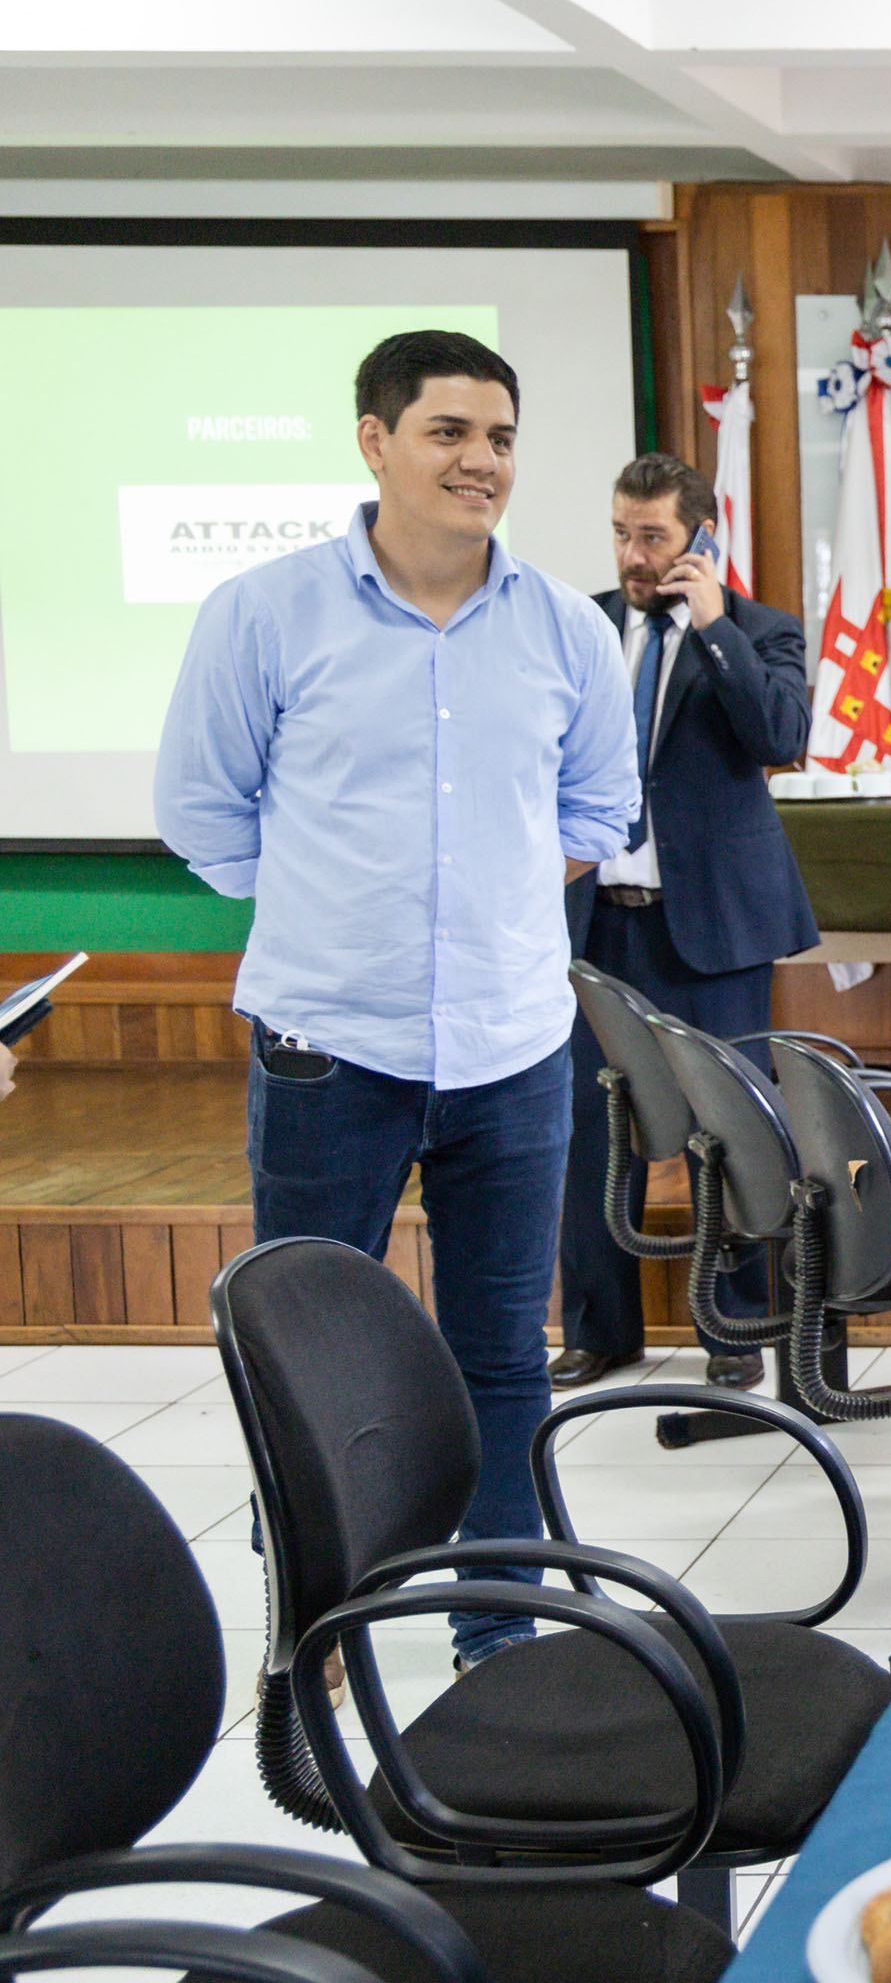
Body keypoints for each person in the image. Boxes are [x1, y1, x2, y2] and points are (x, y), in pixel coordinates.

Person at [155, 330, 639, 1670]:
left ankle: (501, 1630)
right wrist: (336, 913)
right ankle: (314, 1632)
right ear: (375, 442)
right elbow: (202, 810)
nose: (479, 461)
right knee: (307, 1361)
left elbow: (601, 802)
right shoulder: (264, 614)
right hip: (329, 1045)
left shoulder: (560, 628)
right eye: (448, 433)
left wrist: (483, 904)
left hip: (512, 1045)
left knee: (498, 1357)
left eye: (499, 437)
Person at [552, 453, 816, 1390]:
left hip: (711, 933)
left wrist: (712, 629)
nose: (633, 553)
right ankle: (600, 1329)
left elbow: (781, 738)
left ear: (701, 538)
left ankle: (737, 1330)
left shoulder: (758, 630)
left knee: (733, 1127)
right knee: (587, 1130)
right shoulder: (576, 625)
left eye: (653, 536)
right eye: (622, 533)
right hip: (594, 927)